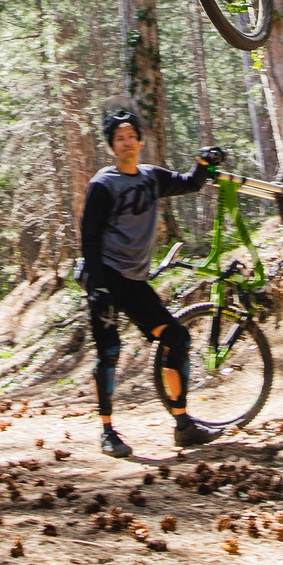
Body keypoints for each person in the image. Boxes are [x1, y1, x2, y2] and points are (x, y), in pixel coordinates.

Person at [80, 102, 226, 456]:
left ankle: (184, 425)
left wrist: (204, 163)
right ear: (111, 146)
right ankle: (107, 432)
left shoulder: (150, 177)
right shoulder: (103, 184)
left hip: (133, 282)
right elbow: (89, 236)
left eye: (132, 136)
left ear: (140, 141)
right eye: (119, 138)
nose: (127, 142)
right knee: (109, 352)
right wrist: (97, 287)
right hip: (106, 277)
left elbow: (190, 183)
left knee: (177, 338)